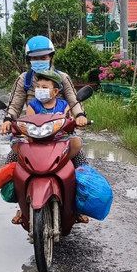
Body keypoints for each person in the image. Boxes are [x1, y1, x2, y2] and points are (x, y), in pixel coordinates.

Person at [7, 69, 89, 225]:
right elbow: (27, 122)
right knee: (13, 157)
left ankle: (78, 206)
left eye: (44, 87)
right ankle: (20, 205)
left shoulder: (64, 105)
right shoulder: (33, 105)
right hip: (36, 143)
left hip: (59, 142)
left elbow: (69, 122)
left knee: (79, 151)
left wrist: (79, 119)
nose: (40, 90)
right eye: (38, 87)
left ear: (56, 91)